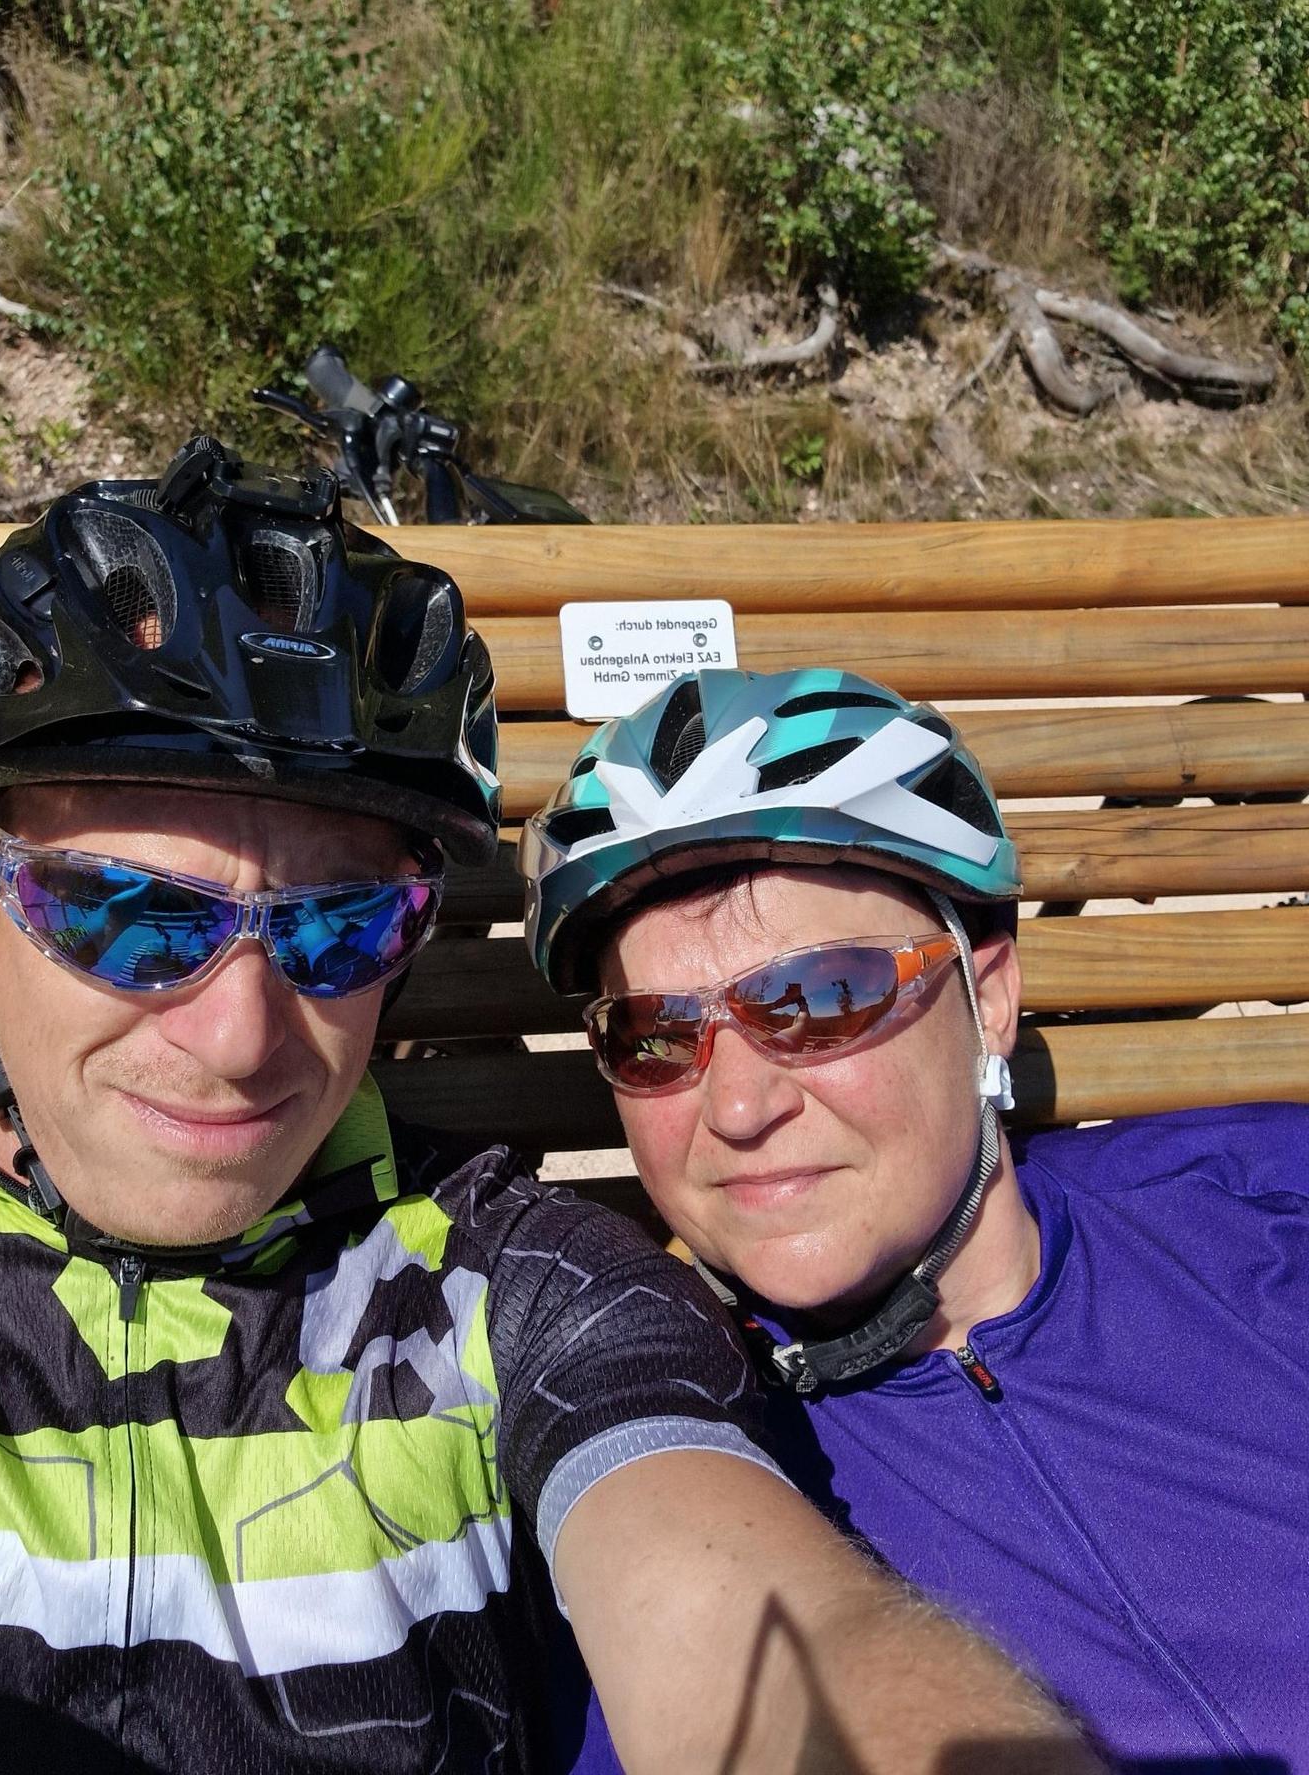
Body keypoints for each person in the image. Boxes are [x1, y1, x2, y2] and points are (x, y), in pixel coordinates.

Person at [0, 449, 1093, 1775]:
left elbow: (752, 1625)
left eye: (342, 926)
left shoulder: (513, 1279)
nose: (239, 1039)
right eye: (131, 913)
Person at [521, 663, 1309, 1775]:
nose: (737, 1108)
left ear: (989, 997)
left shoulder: (1264, 1199)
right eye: (654, 1035)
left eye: (820, 996)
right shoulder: (643, 1459)